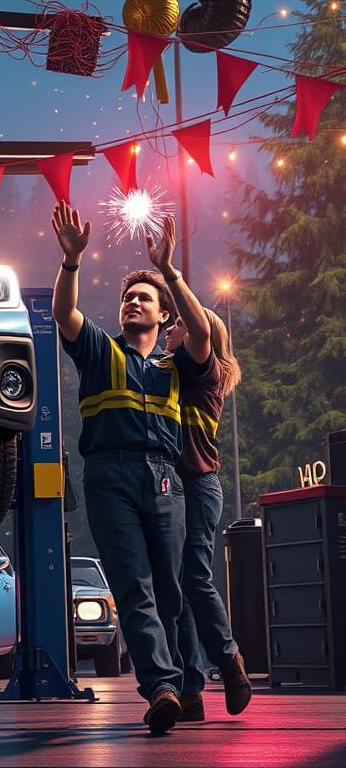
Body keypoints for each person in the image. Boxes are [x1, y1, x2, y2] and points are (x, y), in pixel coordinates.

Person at [51, 201, 186, 735]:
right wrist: (71, 263)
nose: (132, 302)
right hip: (109, 476)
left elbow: (204, 336)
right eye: (127, 296)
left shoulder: (176, 367)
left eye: (143, 298)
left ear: (163, 315)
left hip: (165, 478)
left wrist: (170, 270)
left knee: (171, 591)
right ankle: (162, 688)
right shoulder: (98, 349)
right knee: (134, 585)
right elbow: (65, 314)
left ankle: (181, 681)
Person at [146, 216, 252, 722]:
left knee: (193, 575)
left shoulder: (202, 370)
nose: (171, 330)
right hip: (168, 486)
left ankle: (229, 660)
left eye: (179, 326)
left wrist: (168, 272)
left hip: (199, 484)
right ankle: (190, 690)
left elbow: (201, 326)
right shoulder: (162, 371)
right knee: (175, 584)